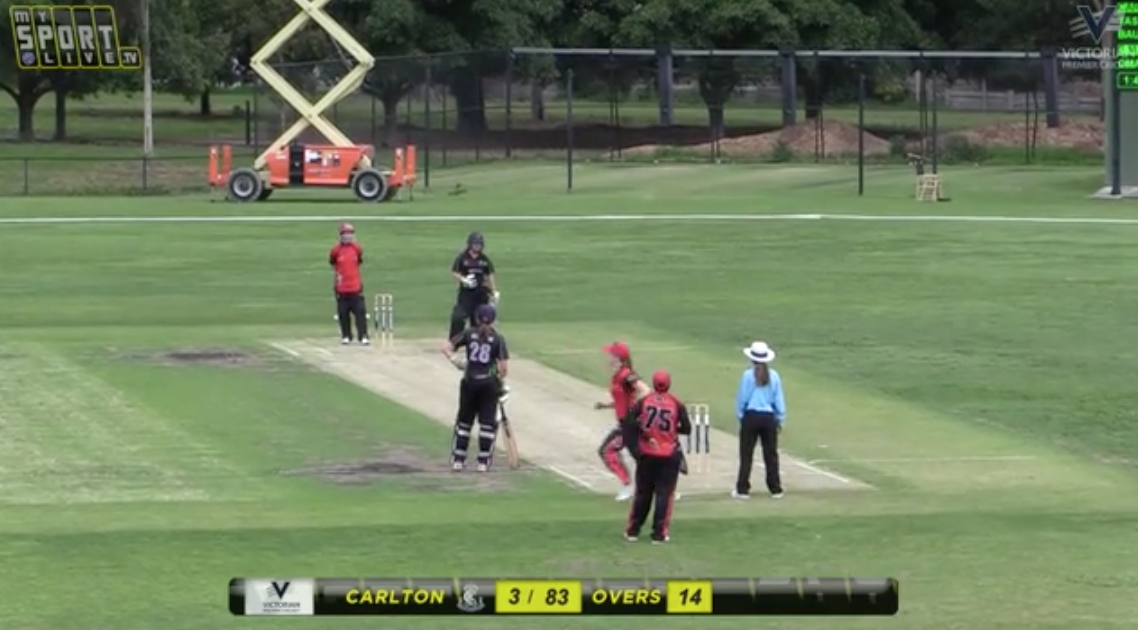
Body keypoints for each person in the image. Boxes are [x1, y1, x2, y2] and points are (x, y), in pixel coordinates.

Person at [621, 370, 690, 544]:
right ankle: (658, 534)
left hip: (647, 453)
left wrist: (644, 431)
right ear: (669, 384)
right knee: (664, 495)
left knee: (643, 493)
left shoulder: (644, 401)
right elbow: (687, 429)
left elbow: (629, 420)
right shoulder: (676, 403)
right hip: (668, 455)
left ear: (653, 383)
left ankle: (632, 531)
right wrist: (673, 430)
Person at [442, 304, 509, 472]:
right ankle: (483, 463)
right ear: (493, 320)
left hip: (469, 382)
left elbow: (446, 348)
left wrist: (457, 361)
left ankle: (458, 459)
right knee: (487, 424)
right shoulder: (498, 339)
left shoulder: (469, 333)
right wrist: (499, 385)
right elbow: (503, 369)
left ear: (477, 317)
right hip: (488, 385)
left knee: (464, 422)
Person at [593, 341, 651, 501]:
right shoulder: (617, 376)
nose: (607, 357)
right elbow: (624, 399)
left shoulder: (626, 374)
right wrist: (606, 406)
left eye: (610, 355)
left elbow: (645, 390)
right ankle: (662, 488)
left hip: (632, 424)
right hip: (626, 424)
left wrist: (634, 412)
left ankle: (628, 486)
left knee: (607, 450)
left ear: (617, 358)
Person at [733, 341, 787, 499]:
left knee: (746, 454)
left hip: (751, 416)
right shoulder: (774, 376)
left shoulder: (747, 375)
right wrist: (779, 418)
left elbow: (742, 398)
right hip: (768, 417)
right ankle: (775, 488)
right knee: (771, 454)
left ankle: (742, 489)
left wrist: (741, 416)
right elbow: (779, 400)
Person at [449, 232, 500, 339]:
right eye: (475, 244)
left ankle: (477, 342)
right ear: (470, 244)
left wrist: (494, 291)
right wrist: (464, 280)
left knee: (479, 321)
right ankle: (454, 342)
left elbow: (490, 275)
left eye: (479, 244)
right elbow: (455, 272)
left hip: (481, 295)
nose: (477, 246)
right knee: (458, 317)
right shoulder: (462, 258)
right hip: (466, 295)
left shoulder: (484, 260)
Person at [330, 223, 368, 345]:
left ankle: (363, 336)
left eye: (350, 234)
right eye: (345, 234)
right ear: (341, 236)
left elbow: (359, 262)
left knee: (360, 312)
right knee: (343, 314)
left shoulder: (357, 249)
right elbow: (333, 263)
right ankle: (346, 336)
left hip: (355, 287)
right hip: (341, 288)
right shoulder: (336, 250)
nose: (347, 237)